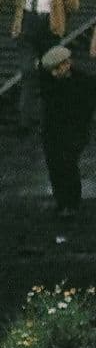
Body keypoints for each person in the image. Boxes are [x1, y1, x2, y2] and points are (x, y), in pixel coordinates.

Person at [13, 0, 83, 122]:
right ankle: (26, 119)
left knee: (52, 71)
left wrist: (59, 19)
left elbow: (73, 3)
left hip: (49, 27)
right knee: (27, 70)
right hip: (28, 23)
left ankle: (54, 112)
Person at [39, 42, 96, 221]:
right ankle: (62, 201)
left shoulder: (84, 83)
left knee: (67, 163)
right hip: (53, 130)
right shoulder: (49, 82)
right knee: (55, 164)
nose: (56, 72)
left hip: (74, 130)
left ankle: (71, 202)